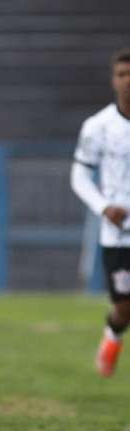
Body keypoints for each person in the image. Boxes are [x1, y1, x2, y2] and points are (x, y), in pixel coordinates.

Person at [71, 48, 130, 378]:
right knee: (124, 307)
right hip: (118, 234)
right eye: (122, 75)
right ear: (114, 80)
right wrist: (104, 207)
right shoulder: (98, 127)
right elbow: (79, 176)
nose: (127, 81)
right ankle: (112, 336)